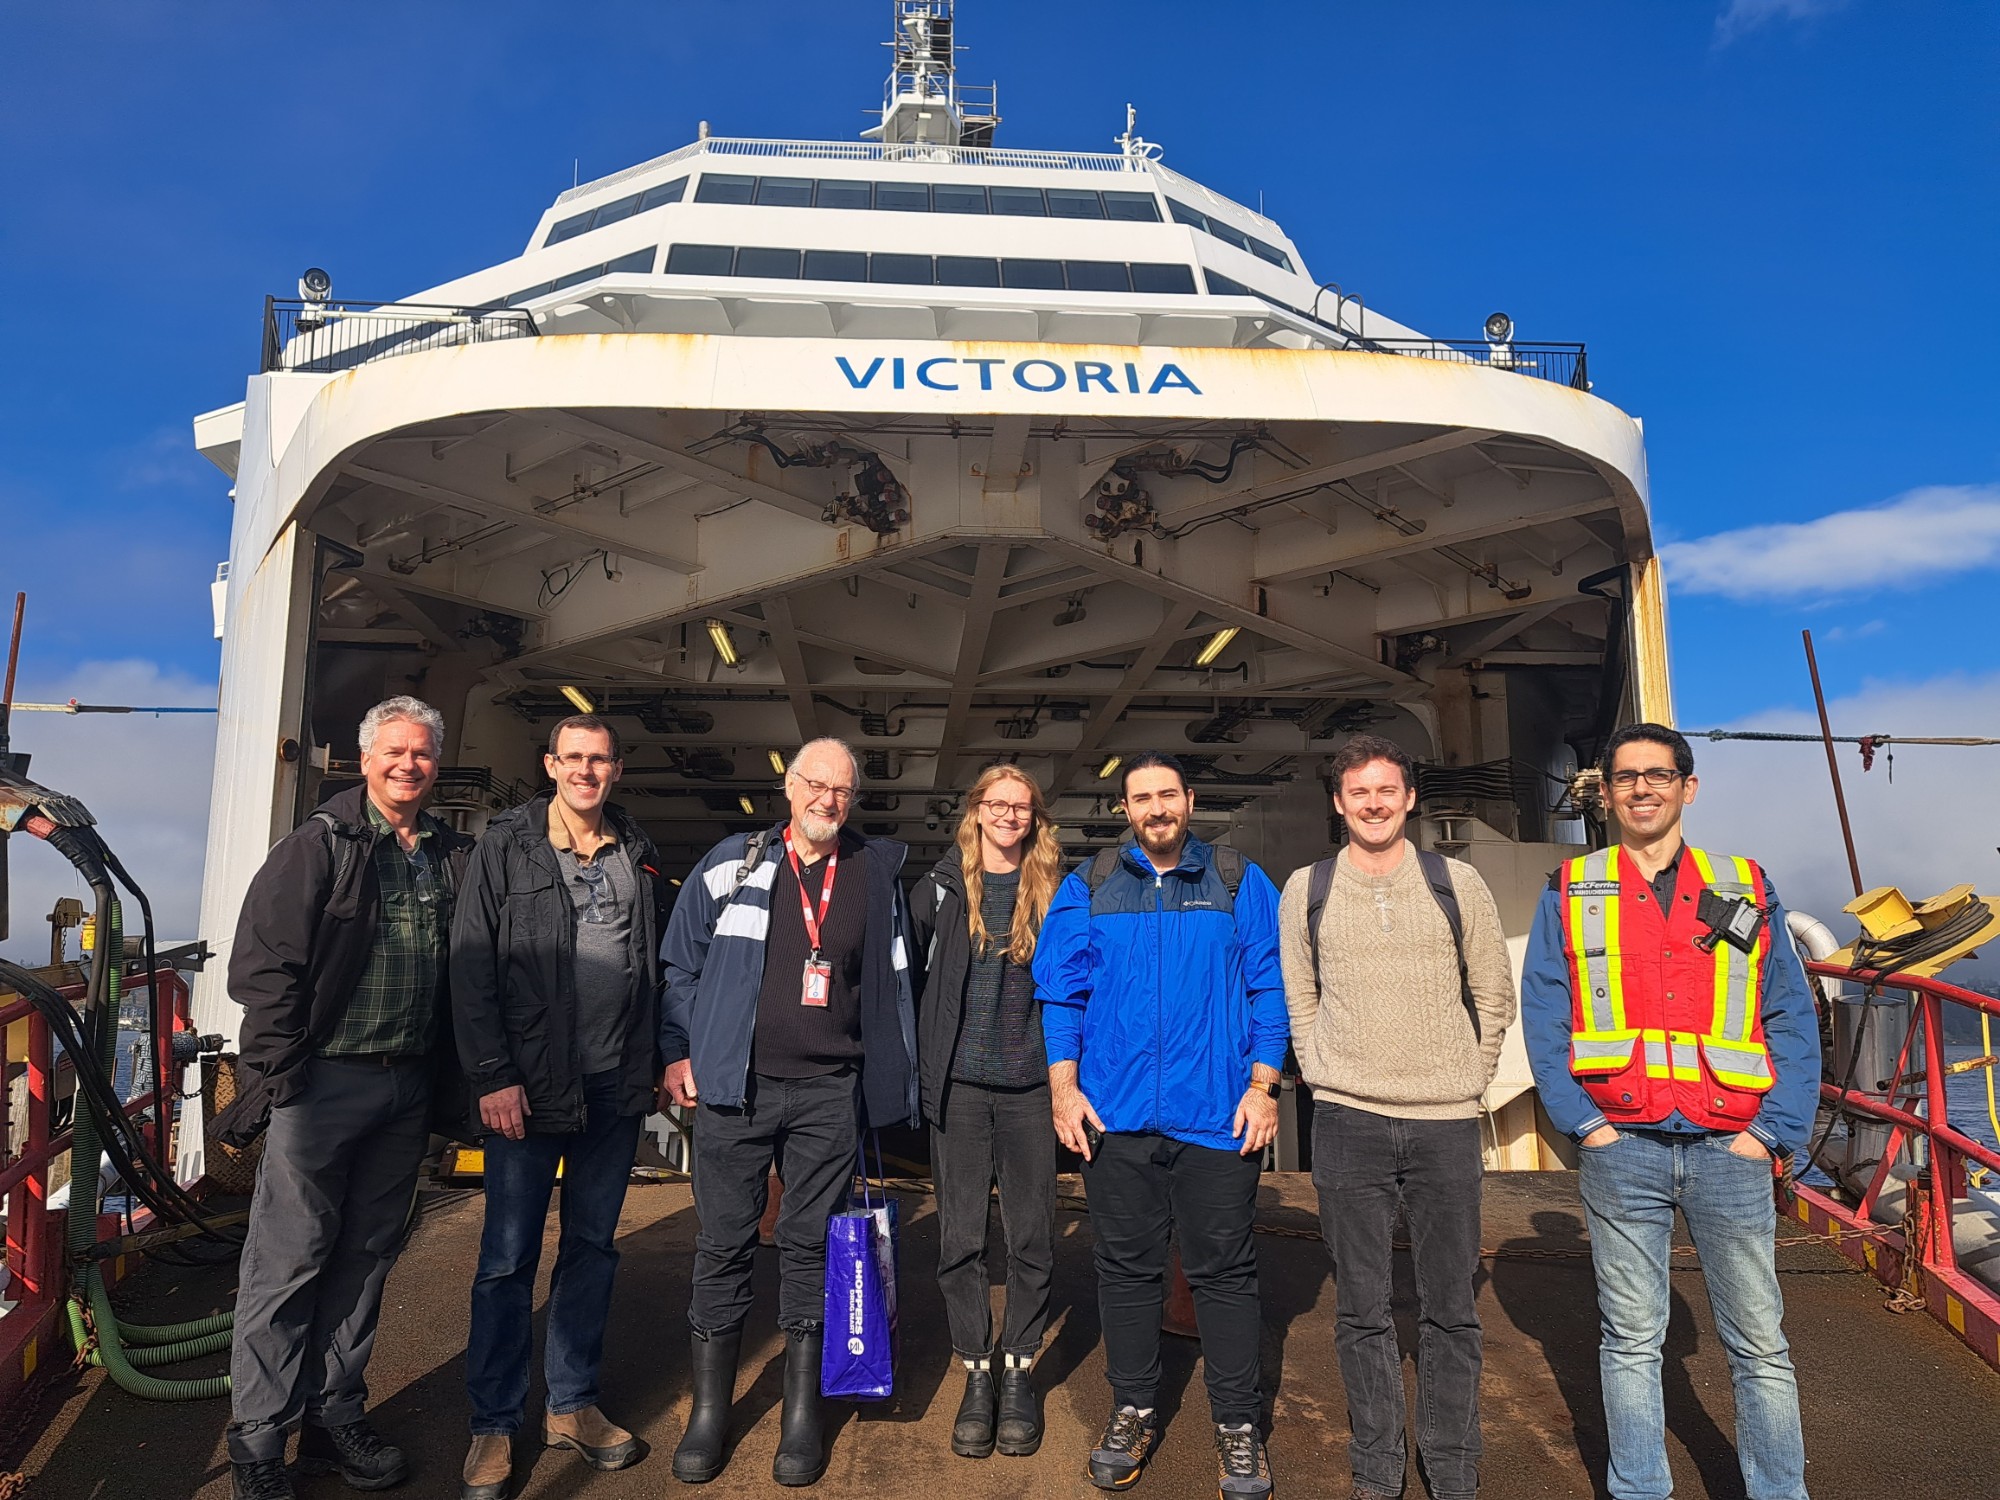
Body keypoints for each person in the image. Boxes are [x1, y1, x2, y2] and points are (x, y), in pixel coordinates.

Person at [1521, 723, 1819, 1500]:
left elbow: (1788, 1011)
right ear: (1608, 792)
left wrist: (1772, 1133)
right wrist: (1587, 1126)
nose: (1642, 788)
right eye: (1626, 777)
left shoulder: (1743, 887)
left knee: (1759, 1344)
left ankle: (1779, 1492)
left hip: (1732, 1146)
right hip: (1624, 1147)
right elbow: (1545, 1016)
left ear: (1689, 787)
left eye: (1658, 775)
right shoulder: (1573, 887)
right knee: (1630, 1341)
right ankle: (1640, 1490)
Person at [224, 697, 472, 1500]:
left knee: (367, 1257)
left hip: (405, 1088)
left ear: (438, 763)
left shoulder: (448, 855)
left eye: (423, 753)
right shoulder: (317, 848)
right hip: (323, 1084)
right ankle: (259, 1445)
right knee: (287, 1262)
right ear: (364, 761)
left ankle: (334, 1417)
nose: (409, 764)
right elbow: (261, 970)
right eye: (394, 751)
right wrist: (284, 1074)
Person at [659, 737, 919, 1487]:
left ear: (852, 799)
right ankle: (712, 1410)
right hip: (735, 1087)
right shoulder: (731, 862)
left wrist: (891, 1080)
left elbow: (893, 982)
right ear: (788, 786)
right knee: (724, 1242)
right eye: (815, 784)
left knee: (811, 1245)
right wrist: (681, 1054)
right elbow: (681, 965)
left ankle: (801, 1413)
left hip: (828, 1090)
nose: (827, 800)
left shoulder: (873, 872)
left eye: (841, 790)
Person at [1034, 753, 1287, 1498]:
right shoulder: (1088, 887)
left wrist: (1265, 1087)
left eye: (1167, 795)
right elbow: (1062, 997)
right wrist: (1063, 1091)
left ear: (1190, 800)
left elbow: (1270, 987)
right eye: (1141, 798)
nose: (1156, 808)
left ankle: (1237, 1427)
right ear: (1125, 810)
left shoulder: (1239, 881)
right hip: (1116, 1119)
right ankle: (1133, 1408)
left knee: (1225, 1273)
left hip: (1217, 1116)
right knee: (1126, 1271)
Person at [1277, 734, 1518, 1500]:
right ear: (1339, 804)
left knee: (1451, 1308)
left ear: (1409, 798)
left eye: (1387, 790)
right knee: (1362, 1308)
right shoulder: (1306, 888)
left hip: (1445, 1122)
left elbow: (1492, 992)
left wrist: (1468, 1079)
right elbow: (1300, 997)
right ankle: (1378, 1465)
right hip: (1348, 1120)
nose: (1374, 803)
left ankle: (1450, 1463)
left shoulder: (1458, 882)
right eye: (1359, 792)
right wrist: (1323, 1076)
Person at [450, 714, 670, 1499]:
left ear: (616, 769)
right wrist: (491, 1074)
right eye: (573, 758)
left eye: (600, 759)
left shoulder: (636, 852)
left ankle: (572, 1406)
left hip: (614, 1087)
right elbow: (471, 967)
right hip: (527, 1091)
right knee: (507, 1261)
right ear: (550, 765)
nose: (587, 770)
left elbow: (652, 967)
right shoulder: (505, 847)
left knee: (592, 1249)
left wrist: (655, 1061)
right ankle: (494, 1424)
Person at [910, 765, 1064, 1460]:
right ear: (974, 812)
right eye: (996, 804)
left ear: (1034, 817)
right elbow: (900, 977)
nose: (1008, 816)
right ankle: (977, 1368)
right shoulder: (939, 889)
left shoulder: (1060, 891)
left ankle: (1020, 1364)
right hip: (961, 1088)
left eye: (1020, 806)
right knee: (961, 1239)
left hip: (1033, 1087)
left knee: (1031, 1237)